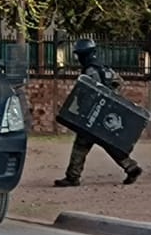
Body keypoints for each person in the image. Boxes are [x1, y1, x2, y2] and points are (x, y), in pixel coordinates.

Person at [53, 38, 143, 187]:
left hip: (94, 115)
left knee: (81, 145)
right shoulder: (104, 67)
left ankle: (72, 177)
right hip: (105, 113)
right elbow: (119, 83)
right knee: (109, 143)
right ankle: (131, 168)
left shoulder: (90, 70)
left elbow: (92, 91)